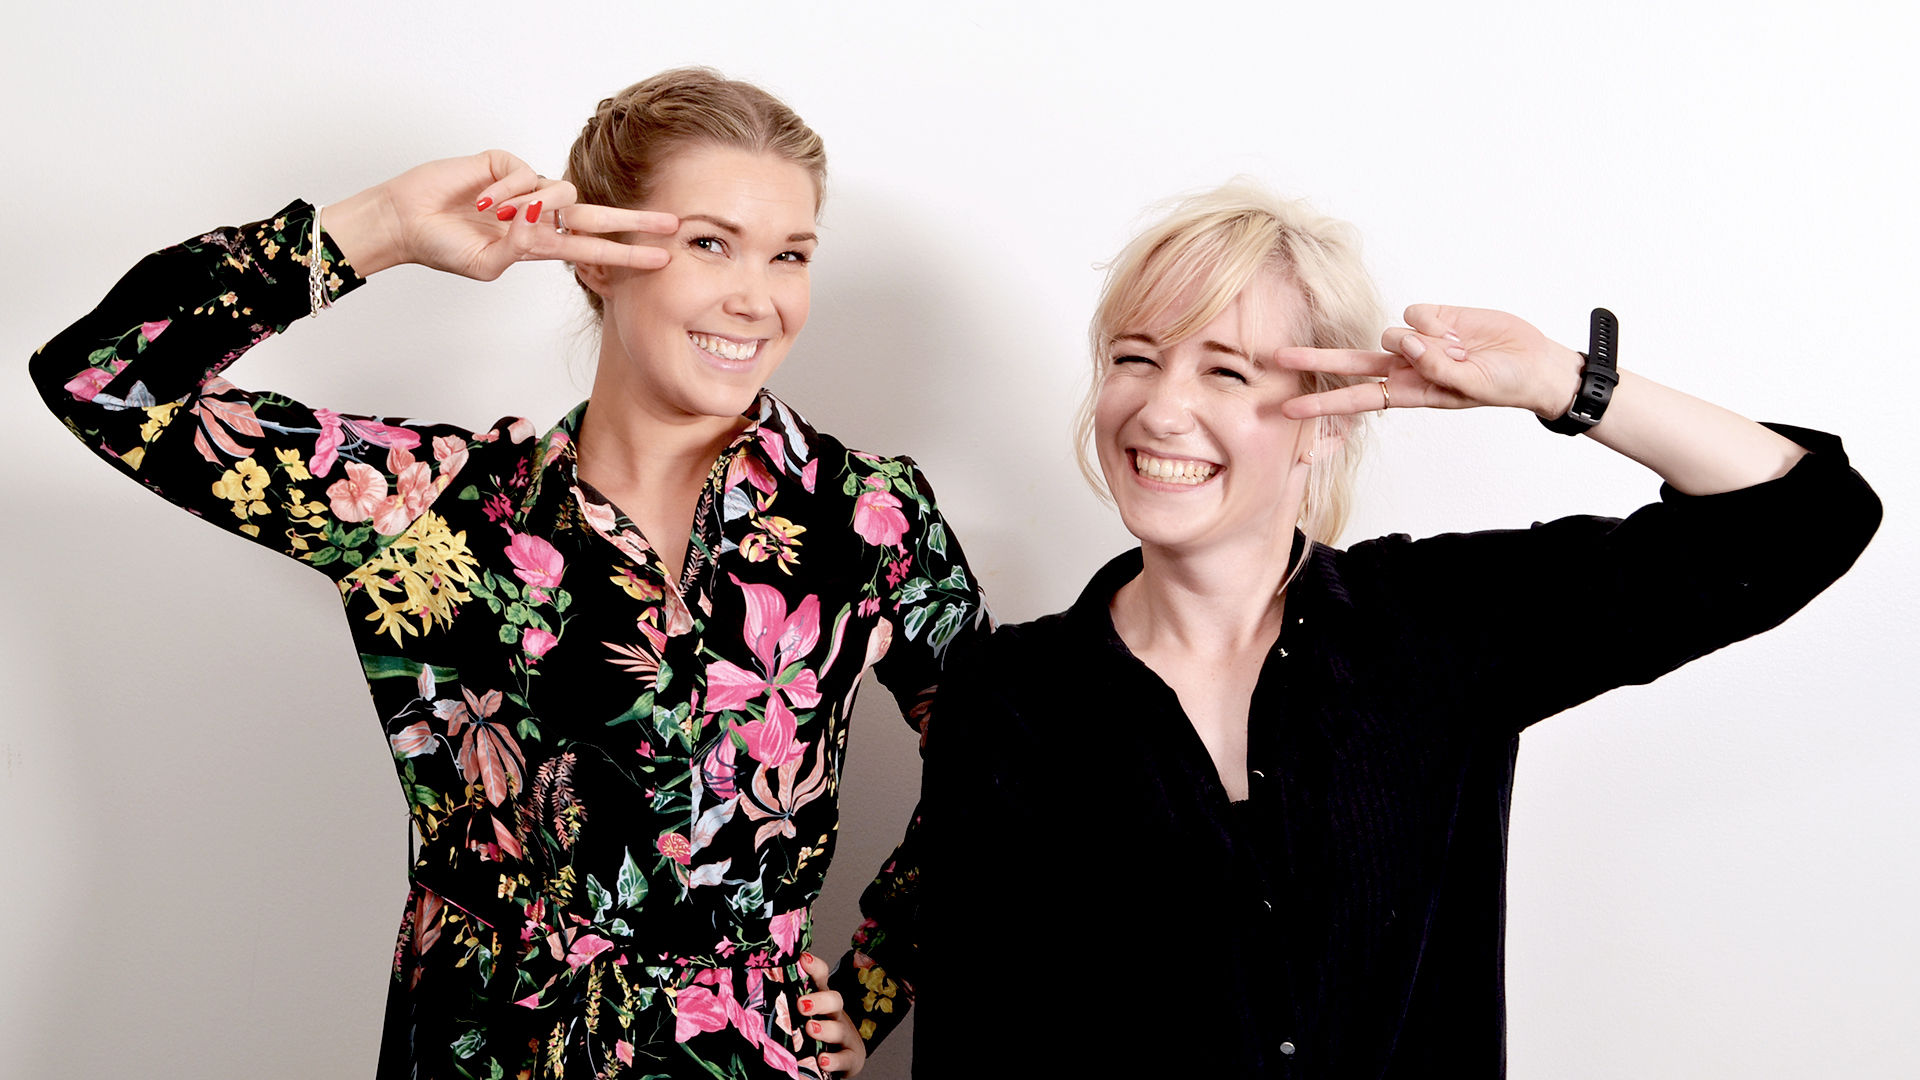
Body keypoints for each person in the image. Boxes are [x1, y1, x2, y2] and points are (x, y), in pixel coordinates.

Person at [29, 68, 988, 1080]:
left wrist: (877, 983)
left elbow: (1003, 763)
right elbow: (101, 379)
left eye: (790, 254)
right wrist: (386, 228)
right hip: (484, 1054)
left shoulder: (869, 515)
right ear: (598, 256)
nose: (757, 299)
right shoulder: (433, 505)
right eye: (710, 243)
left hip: (745, 1060)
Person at [908, 182, 1881, 1077]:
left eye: (1228, 371)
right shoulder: (1009, 695)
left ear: (1328, 419)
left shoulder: (1432, 623)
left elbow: (1809, 519)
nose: (1163, 409)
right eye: (1135, 358)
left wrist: (1557, 380)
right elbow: (974, 1050)